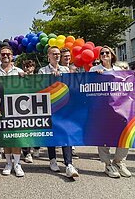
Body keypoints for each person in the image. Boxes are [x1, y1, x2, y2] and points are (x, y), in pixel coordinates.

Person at [89, 45, 131, 178]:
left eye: (107, 52)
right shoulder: (94, 69)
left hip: (119, 107)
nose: (104, 55)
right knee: (103, 136)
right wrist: (95, 77)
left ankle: (119, 161)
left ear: (112, 55)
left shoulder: (119, 70)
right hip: (101, 108)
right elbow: (87, 86)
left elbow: (128, 87)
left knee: (125, 133)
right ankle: (107, 164)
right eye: (102, 53)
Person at [38, 46, 79, 178]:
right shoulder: (42, 70)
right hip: (48, 106)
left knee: (66, 132)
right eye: (54, 54)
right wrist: (51, 78)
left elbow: (72, 86)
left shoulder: (66, 70)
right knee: (51, 133)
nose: (56, 56)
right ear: (48, 56)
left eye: (58, 54)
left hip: (64, 106)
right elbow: (39, 86)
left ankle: (68, 164)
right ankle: (52, 159)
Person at [0, 46, 25, 177]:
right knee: (6, 138)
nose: (5, 56)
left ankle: (17, 164)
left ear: (12, 56)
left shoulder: (19, 71)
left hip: (16, 110)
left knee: (16, 138)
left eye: (8, 54)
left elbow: (29, 88)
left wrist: (26, 78)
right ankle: (8, 163)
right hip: (0, 109)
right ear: (0, 56)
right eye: (3, 54)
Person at [20, 60, 39, 163]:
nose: (28, 68)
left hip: (37, 106)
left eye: (31, 66)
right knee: (25, 130)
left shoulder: (39, 77)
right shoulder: (20, 77)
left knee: (37, 129)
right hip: (24, 107)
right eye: (26, 66)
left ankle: (36, 147)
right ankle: (27, 153)